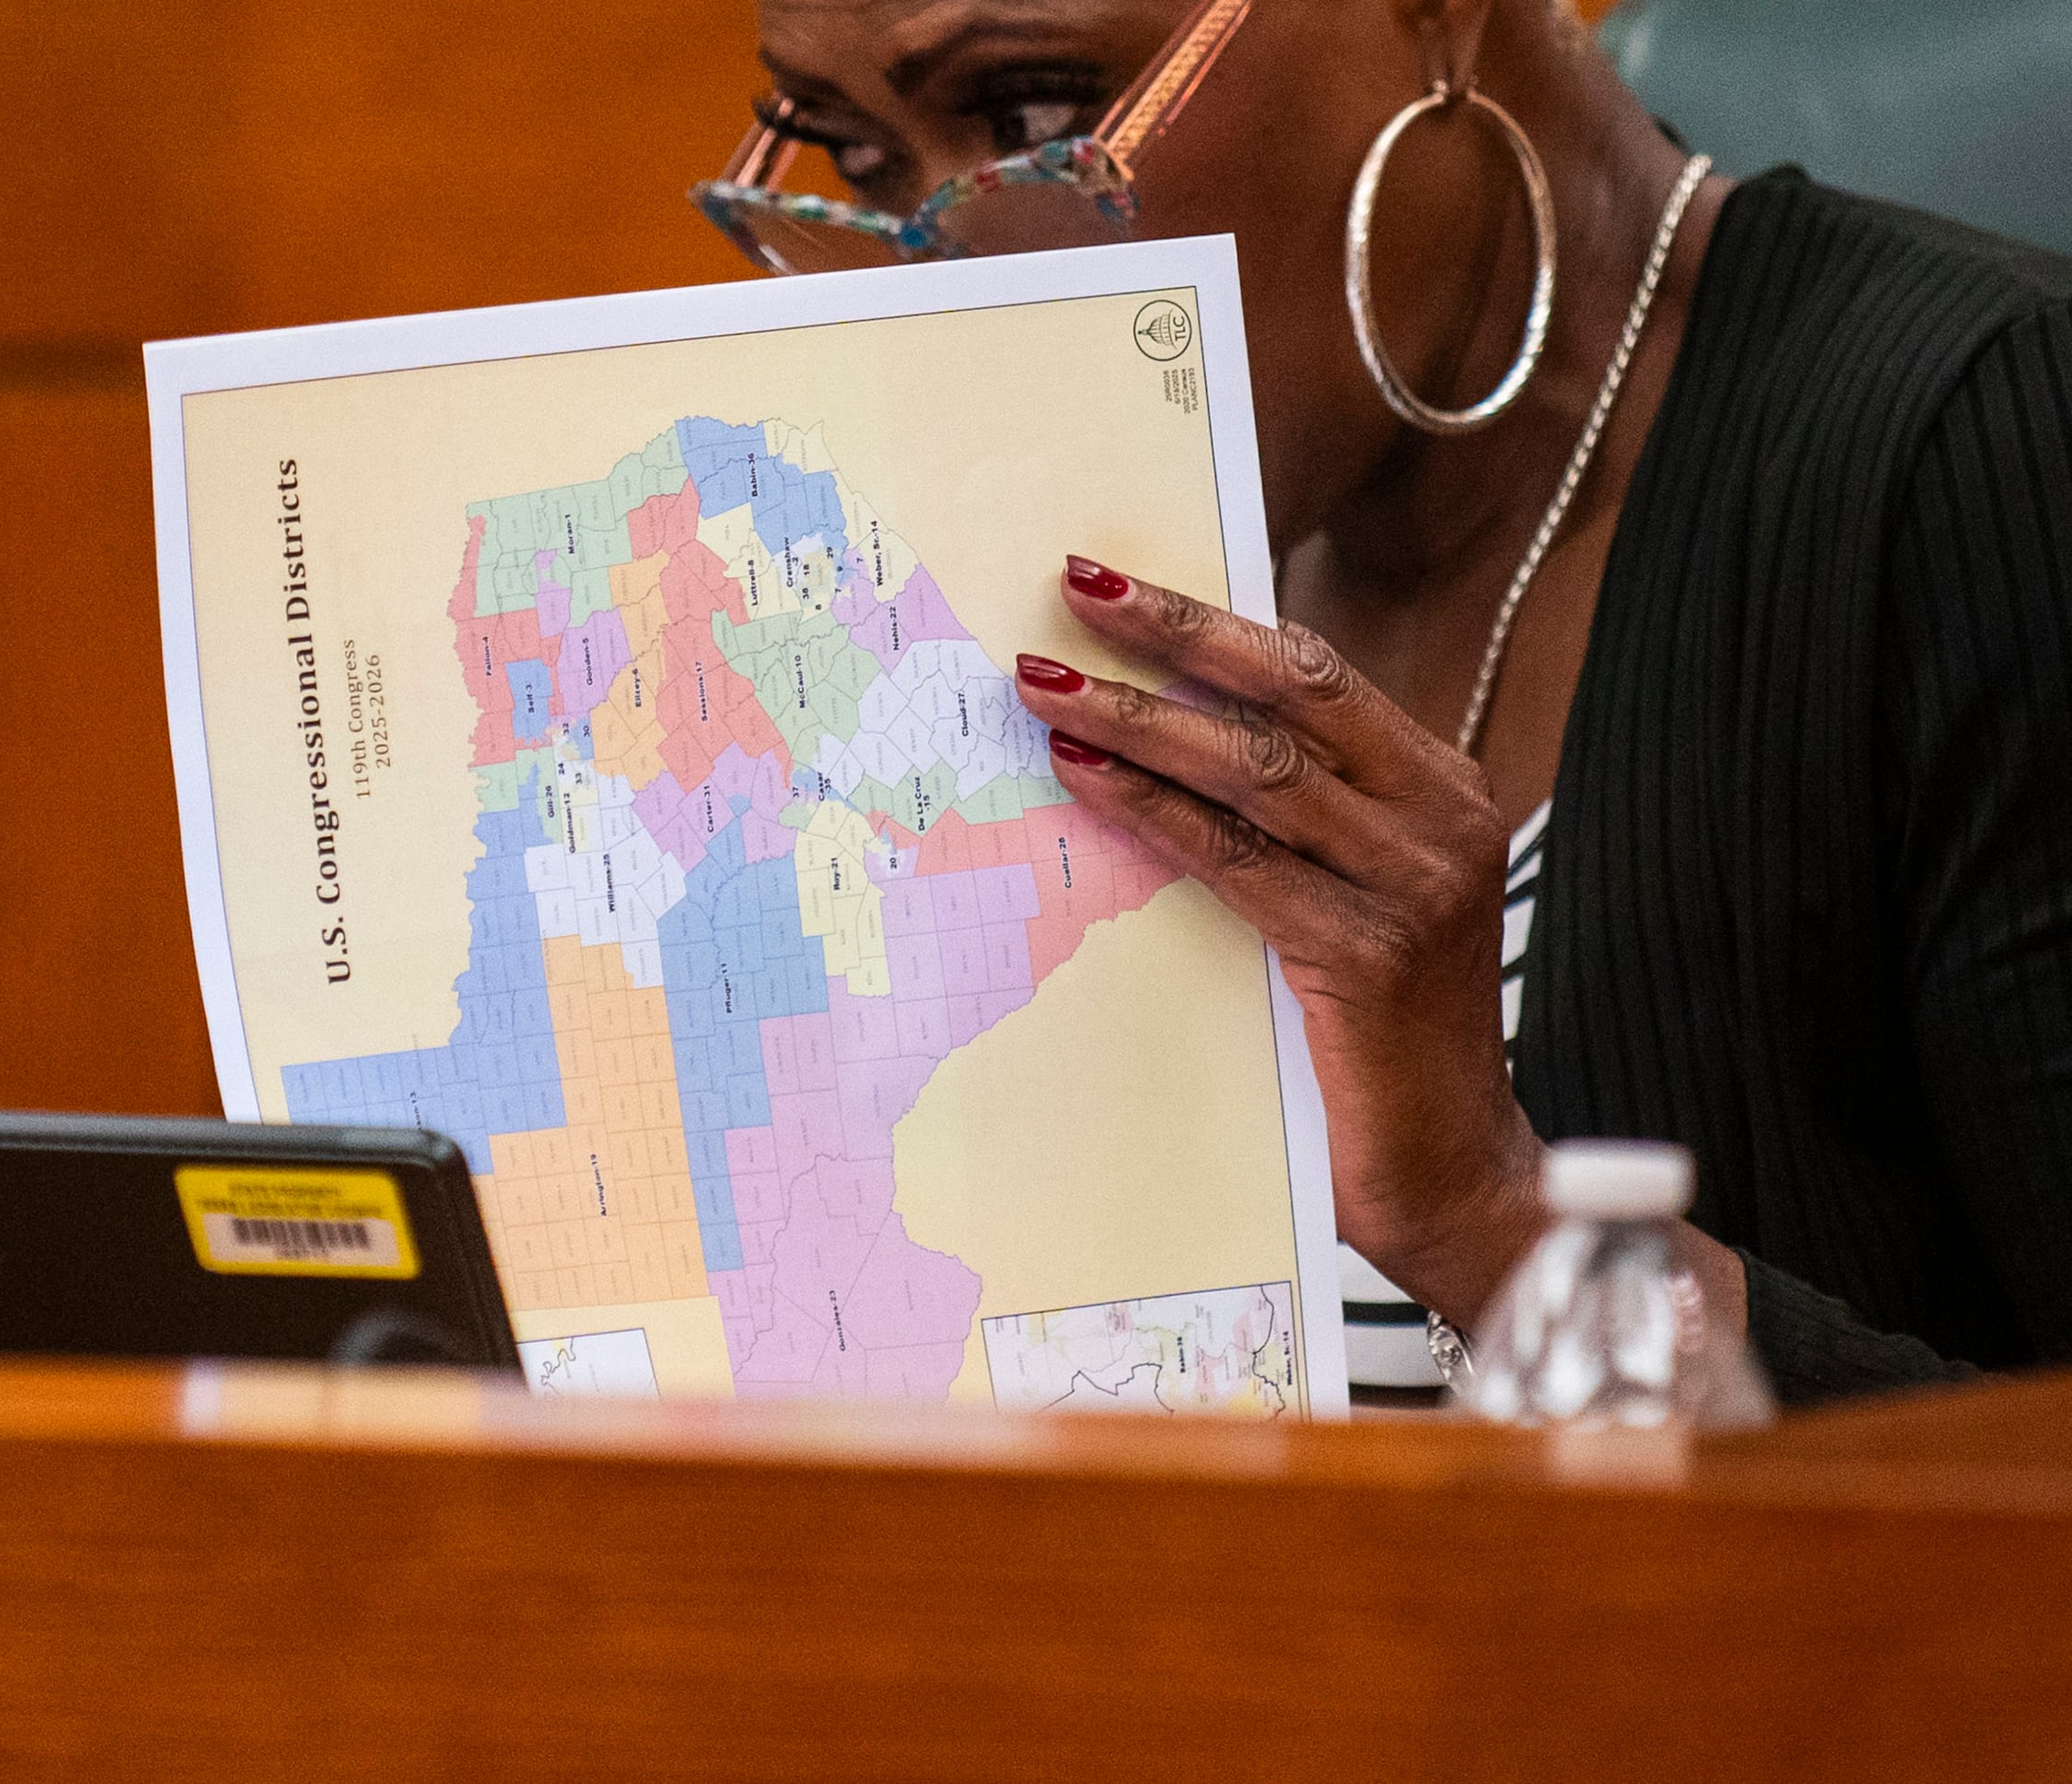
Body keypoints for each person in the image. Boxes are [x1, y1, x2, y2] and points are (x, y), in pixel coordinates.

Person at [696, 0, 2072, 1403]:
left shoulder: (2001, 447)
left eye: (1039, 119)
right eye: (858, 157)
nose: (950, 271)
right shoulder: (1006, 562)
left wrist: (1490, 1214)